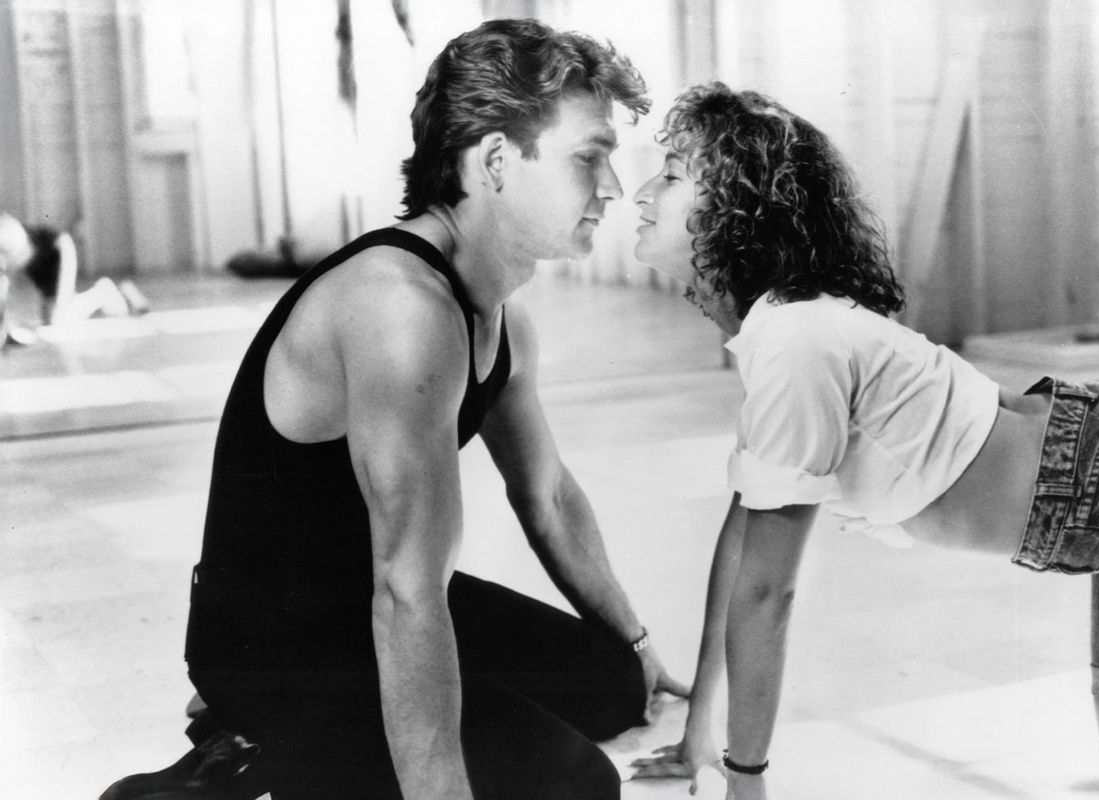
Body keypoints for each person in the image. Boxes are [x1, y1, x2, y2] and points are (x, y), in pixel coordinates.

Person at [100, 19, 686, 800]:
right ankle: (238, 750)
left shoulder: (500, 310)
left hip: (362, 595)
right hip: (271, 640)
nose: (612, 187)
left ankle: (305, 747)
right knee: (575, 786)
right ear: (497, 163)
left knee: (613, 682)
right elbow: (407, 586)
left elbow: (545, 495)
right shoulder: (399, 310)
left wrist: (639, 644)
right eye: (590, 157)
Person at [626, 81, 1099, 798]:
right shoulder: (778, 330)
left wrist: (748, 781)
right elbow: (742, 547)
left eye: (673, 175)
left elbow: (768, 593)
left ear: (738, 212)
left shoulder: (800, 340)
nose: (640, 192)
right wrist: (699, 734)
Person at [0, 213, 149, 347]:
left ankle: (103, 293)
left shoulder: (6, 234)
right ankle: (118, 294)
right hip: (39, 263)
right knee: (51, 320)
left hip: (57, 251)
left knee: (58, 320)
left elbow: (5, 282)